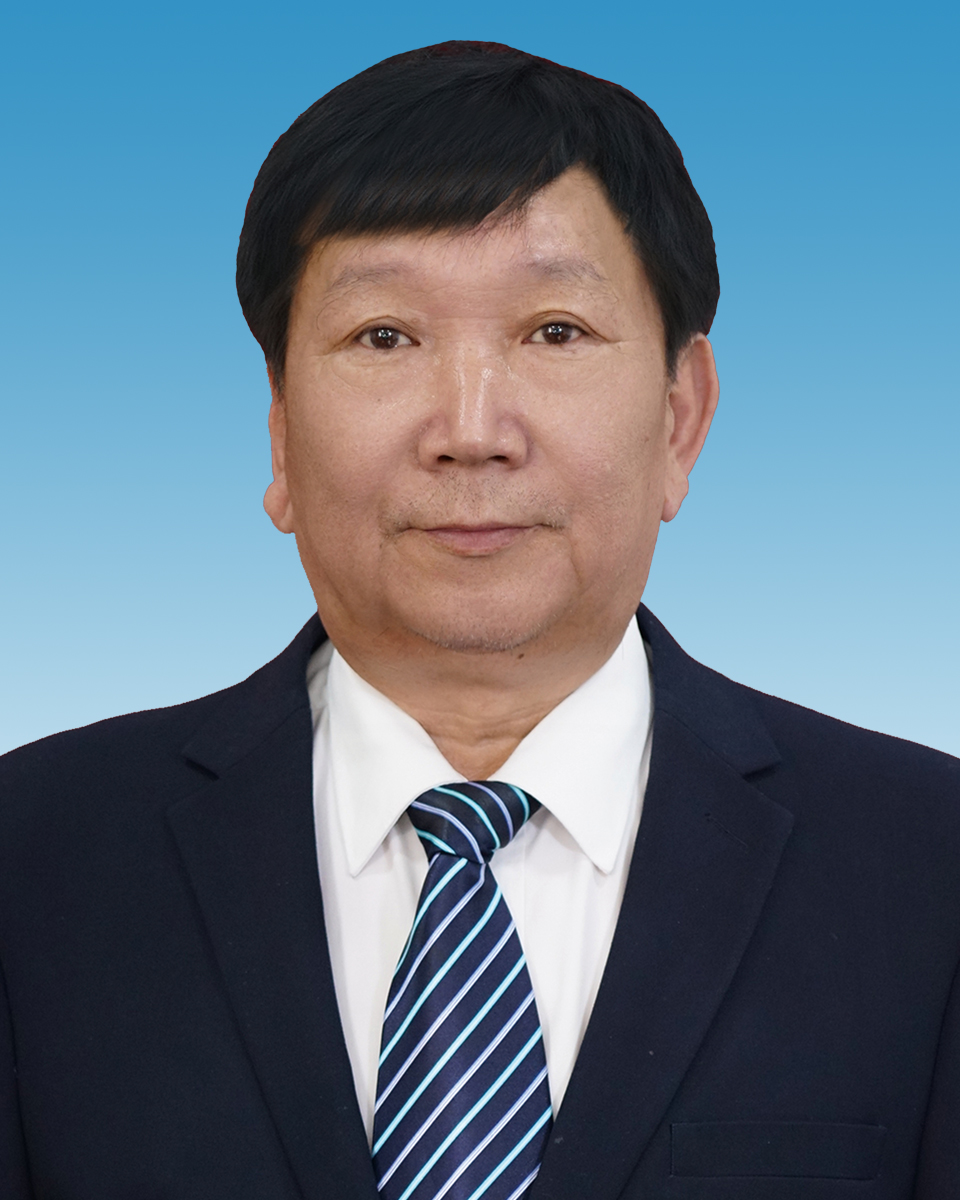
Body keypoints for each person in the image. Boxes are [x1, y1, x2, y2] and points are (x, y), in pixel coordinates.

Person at [1, 40, 957, 1200]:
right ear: (279, 430)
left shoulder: (928, 866)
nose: (470, 430)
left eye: (554, 331)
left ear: (680, 418)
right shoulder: (33, 857)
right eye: (384, 337)